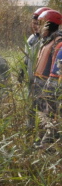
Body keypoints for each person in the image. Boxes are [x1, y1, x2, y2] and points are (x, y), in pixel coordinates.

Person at [32, 9, 62, 145]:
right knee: (42, 118)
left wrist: (49, 92)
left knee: (51, 119)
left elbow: (56, 73)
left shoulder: (58, 43)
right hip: (40, 87)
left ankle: (48, 148)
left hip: (50, 90)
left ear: (49, 26)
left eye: (41, 24)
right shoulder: (46, 41)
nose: (38, 27)